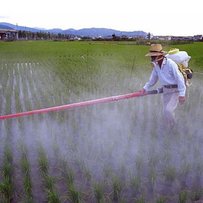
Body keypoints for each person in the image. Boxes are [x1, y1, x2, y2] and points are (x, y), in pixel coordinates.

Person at [140, 44, 186, 129]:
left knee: (168, 110)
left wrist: (182, 94)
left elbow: (180, 78)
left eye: (153, 57)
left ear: (160, 55)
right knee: (166, 111)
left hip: (175, 90)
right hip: (166, 90)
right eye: (151, 57)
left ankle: (174, 126)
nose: (152, 59)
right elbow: (152, 79)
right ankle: (167, 128)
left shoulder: (170, 64)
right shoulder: (156, 66)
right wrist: (144, 88)